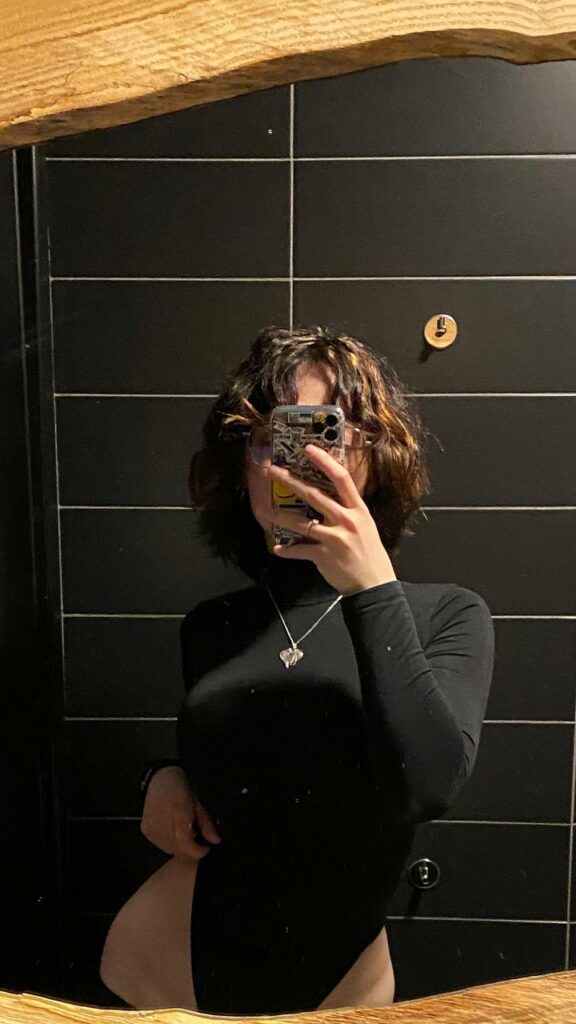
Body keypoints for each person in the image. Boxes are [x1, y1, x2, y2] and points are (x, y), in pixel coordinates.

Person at [100, 324, 495, 1014]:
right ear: (243, 464)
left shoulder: (446, 615)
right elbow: (246, 764)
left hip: (339, 982)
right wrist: (162, 776)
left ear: (374, 456)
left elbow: (427, 786)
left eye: (328, 434)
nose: (300, 462)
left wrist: (372, 588)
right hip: (163, 959)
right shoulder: (212, 626)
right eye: (274, 438)